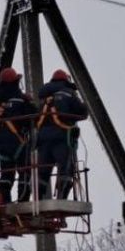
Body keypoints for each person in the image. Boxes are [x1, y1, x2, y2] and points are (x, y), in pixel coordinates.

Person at [36, 69, 89, 200]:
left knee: (43, 171)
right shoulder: (69, 94)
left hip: (43, 140)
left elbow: (36, 117)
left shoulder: (43, 97)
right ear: (66, 80)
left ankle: (38, 198)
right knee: (66, 168)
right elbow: (82, 112)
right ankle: (62, 197)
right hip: (61, 138)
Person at [0, 67, 37, 203]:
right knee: (24, 172)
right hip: (18, 143)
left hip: (1, 145)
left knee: (6, 173)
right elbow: (34, 118)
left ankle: (5, 200)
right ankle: (23, 201)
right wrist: (30, 103)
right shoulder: (21, 101)